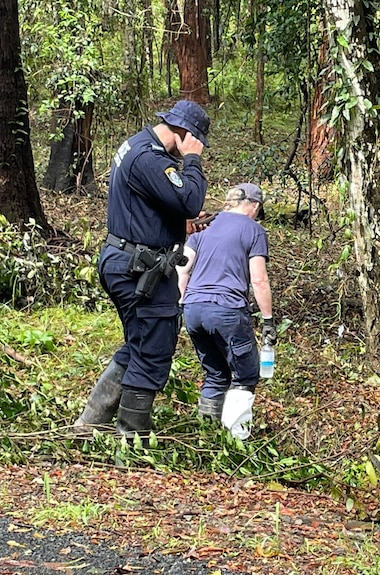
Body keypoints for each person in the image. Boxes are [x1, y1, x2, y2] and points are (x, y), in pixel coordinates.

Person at [74, 100, 210, 438]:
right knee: (153, 347)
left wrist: (179, 224)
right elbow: (190, 199)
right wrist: (193, 159)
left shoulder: (137, 144)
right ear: (185, 133)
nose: (194, 149)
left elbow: (147, 202)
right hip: (137, 270)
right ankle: (130, 438)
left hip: (125, 259)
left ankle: (89, 424)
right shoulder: (151, 158)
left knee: (138, 341)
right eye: (195, 141)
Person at [176, 183, 275, 439]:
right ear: (253, 205)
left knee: (216, 374)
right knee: (245, 375)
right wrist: (268, 320)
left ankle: (207, 438)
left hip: (194, 310)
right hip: (228, 311)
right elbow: (259, 279)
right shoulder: (254, 231)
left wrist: (181, 304)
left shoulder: (202, 231)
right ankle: (236, 441)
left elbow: (182, 270)